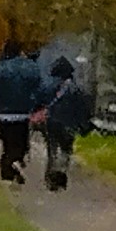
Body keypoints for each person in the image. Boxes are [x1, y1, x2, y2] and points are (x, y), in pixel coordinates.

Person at [0, 37, 48, 184]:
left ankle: (8, 170)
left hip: (4, 113)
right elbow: (38, 89)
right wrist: (38, 106)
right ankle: (17, 160)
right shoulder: (31, 68)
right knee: (21, 140)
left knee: (6, 141)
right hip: (23, 112)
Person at [37, 52, 93, 193]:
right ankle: (61, 175)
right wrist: (84, 126)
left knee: (52, 148)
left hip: (52, 121)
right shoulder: (76, 89)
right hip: (69, 124)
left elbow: (40, 102)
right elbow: (82, 108)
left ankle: (51, 177)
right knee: (66, 150)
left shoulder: (49, 87)